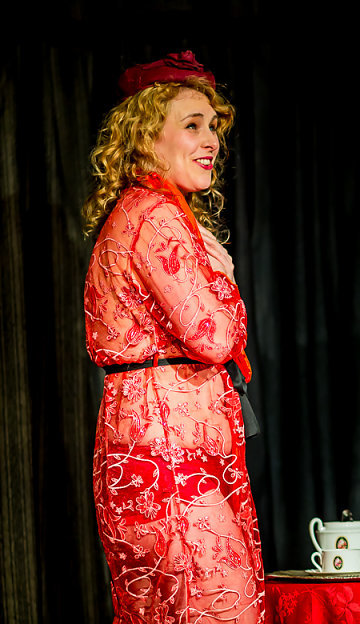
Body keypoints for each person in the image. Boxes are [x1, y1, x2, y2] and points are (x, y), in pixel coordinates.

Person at [82, 51, 265, 622]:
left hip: (149, 447)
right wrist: (225, 277)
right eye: (192, 125)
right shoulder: (156, 215)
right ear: (146, 138)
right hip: (169, 456)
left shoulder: (140, 211)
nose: (211, 140)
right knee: (222, 608)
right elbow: (214, 336)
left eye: (214, 126)